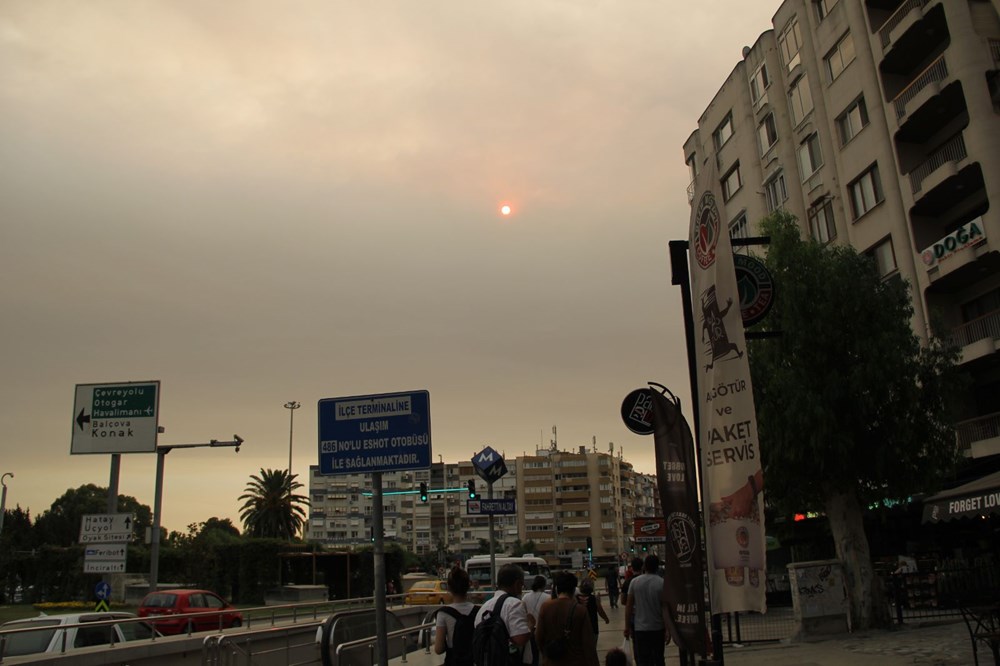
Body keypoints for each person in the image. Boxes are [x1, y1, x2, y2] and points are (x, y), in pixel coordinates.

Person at [535, 572, 599, 666]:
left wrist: (547, 654)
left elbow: (539, 637)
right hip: (576, 661)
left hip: (552, 662)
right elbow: (588, 644)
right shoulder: (580, 610)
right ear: (573, 590)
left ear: (556, 589)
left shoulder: (546, 607)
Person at [475, 564, 533, 665]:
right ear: (517, 584)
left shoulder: (484, 607)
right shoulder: (514, 604)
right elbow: (520, 639)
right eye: (522, 585)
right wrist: (530, 625)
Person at [623, 555, 668, 666]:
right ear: (657, 567)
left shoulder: (635, 582)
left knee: (643, 660)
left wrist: (627, 627)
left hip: (640, 629)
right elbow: (665, 608)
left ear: (644, 566)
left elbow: (628, 606)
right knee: (658, 659)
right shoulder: (662, 583)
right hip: (658, 628)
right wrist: (668, 629)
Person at [435, 567, 479, 664]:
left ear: (449, 588)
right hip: (473, 661)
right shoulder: (478, 611)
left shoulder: (443, 613)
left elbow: (438, 649)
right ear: (468, 585)